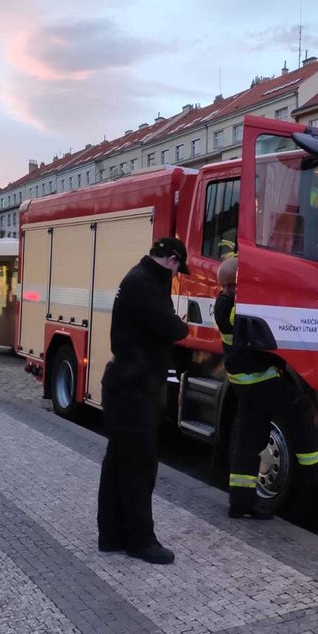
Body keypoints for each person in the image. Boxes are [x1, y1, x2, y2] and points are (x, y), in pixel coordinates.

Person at [214, 257, 318, 520]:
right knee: (301, 410)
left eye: (232, 285)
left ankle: (241, 502)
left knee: (248, 439)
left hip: (248, 379)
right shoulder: (228, 307)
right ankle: (317, 473)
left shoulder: (230, 301)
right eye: (226, 286)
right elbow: (258, 317)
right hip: (257, 378)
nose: (228, 290)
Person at [97, 237, 190, 565]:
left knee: (119, 461)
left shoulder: (138, 277)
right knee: (139, 465)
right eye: (178, 269)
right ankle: (140, 540)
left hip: (125, 384)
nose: (176, 275)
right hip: (135, 388)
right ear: (173, 260)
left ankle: (110, 535)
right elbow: (172, 328)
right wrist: (185, 325)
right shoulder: (147, 283)